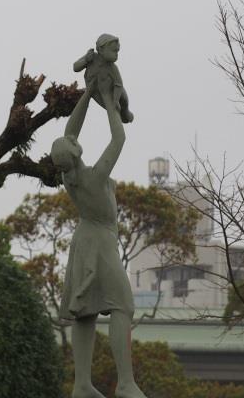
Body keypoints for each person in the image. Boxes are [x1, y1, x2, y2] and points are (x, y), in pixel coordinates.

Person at [50, 83, 146, 398]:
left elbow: (69, 130)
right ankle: (126, 383)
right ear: (76, 153)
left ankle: (81, 384)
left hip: (84, 239)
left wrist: (87, 93)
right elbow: (119, 138)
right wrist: (107, 100)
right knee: (123, 305)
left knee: (86, 311)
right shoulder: (94, 176)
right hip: (101, 240)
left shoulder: (69, 176)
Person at [73, 33, 134, 123]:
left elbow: (118, 84)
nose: (116, 54)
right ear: (101, 50)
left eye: (117, 51)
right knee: (109, 107)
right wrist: (86, 59)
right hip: (94, 90)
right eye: (114, 51)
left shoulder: (112, 67)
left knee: (123, 101)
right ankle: (119, 115)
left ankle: (125, 112)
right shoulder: (92, 56)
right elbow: (75, 67)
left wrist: (116, 99)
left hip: (113, 90)